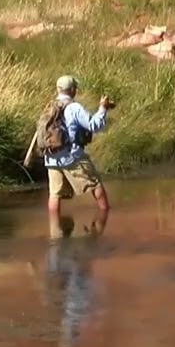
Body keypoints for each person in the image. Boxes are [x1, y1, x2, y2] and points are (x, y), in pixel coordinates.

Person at [43, 75, 112, 238]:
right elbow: (95, 125)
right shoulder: (74, 108)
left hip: (51, 158)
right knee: (96, 185)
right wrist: (103, 108)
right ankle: (104, 218)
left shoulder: (49, 107)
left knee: (55, 194)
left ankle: (55, 233)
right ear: (73, 90)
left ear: (58, 89)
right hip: (72, 157)